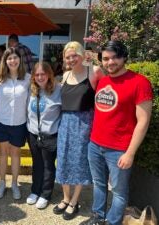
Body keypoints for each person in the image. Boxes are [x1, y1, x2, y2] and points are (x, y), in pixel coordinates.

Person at [80, 41, 153, 225]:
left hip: (119, 149)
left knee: (119, 192)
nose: (110, 62)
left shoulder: (140, 83)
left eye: (115, 57)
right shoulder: (103, 80)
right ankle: (98, 217)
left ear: (124, 57)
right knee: (99, 185)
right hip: (95, 145)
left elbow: (143, 121)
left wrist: (130, 153)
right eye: (105, 58)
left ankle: (112, 222)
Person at [53, 41, 104, 220]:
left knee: (79, 163)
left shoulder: (93, 72)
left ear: (82, 55)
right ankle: (66, 197)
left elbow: (106, 91)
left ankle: (75, 200)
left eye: (75, 55)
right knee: (64, 160)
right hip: (65, 123)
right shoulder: (65, 75)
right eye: (68, 56)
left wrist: (92, 61)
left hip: (84, 123)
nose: (71, 59)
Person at [0, 47, 31, 200]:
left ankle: (14, 183)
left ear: (20, 60)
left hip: (19, 122)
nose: (13, 61)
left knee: (15, 154)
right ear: (5, 61)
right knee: (2, 154)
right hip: (2, 121)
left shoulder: (28, 79)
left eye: (15, 58)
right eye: (9, 58)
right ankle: (2, 183)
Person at [26, 62, 61, 209]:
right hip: (33, 133)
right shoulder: (32, 90)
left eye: (43, 74)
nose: (40, 77)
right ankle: (35, 190)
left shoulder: (58, 89)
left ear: (49, 74)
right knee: (37, 163)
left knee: (48, 165)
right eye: (37, 74)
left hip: (50, 134)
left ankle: (46, 194)